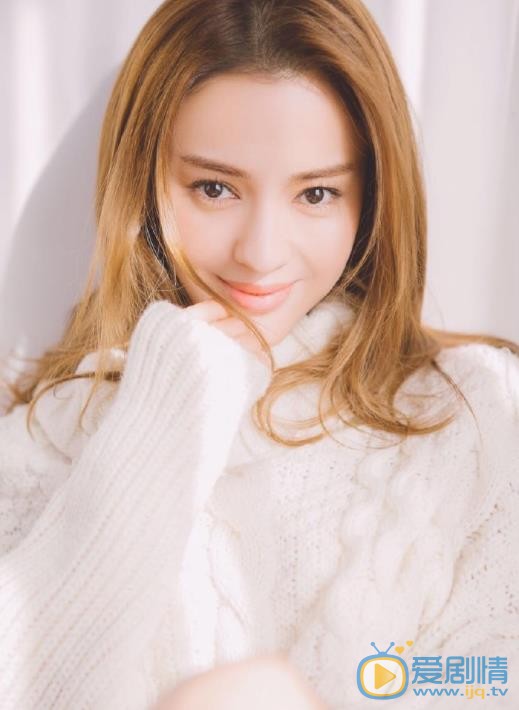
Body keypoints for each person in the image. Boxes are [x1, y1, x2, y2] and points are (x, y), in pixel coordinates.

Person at [0, 0, 518, 708]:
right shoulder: (53, 425)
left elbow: (496, 675)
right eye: (214, 189)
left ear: (370, 197)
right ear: (144, 183)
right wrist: (154, 426)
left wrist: (307, 698)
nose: (261, 252)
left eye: (316, 193)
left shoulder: (472, 410)